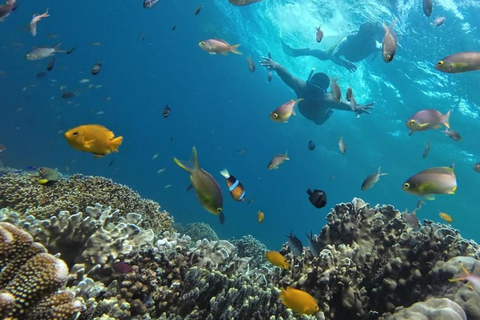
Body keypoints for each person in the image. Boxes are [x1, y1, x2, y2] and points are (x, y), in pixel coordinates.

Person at [260, 58, 374, 125]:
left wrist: (356, 107)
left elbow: (344, 104)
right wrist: (277, 66)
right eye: (312, 87)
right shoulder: (301, 86)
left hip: (319, 120)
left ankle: (331, 102)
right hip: (314, 114)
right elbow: (289, 77)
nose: (313, 92)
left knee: (332, 103)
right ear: (308, 83)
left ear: (324, 92)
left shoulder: (327, 99)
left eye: (317, 90)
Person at [282, 22, 384, 72]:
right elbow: (333, 56)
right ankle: (304, 51)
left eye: (365, 36)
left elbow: (387, 48)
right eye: (361, 35)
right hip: (345, 51)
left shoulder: (375, 44)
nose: (362, 38)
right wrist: (345, 64)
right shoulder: (348, 39)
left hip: (355, 55)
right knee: (324, 56)